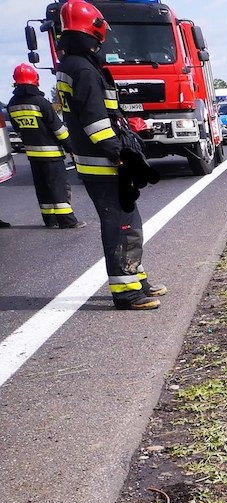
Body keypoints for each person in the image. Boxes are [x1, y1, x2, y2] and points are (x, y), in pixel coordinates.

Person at [54, 0, 165, 310]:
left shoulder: (73, 66)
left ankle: (137, 281)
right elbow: (95, 121)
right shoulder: (84, 69)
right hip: (103, 163)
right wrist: (118, 153)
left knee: (129, 221)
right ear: (94, 30)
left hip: (99, 161)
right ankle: (127, 293)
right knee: (120, 225)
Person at [8, 63, 86, 229]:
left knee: (42, 188)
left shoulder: (12, 104)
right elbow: (58, 129)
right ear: (35, 80)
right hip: (51, 154)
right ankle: (67, 221)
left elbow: (17, 129)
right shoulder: (41, 102)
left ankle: (49, 220)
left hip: (32, 154)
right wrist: (71, 147)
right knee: (58, 188)